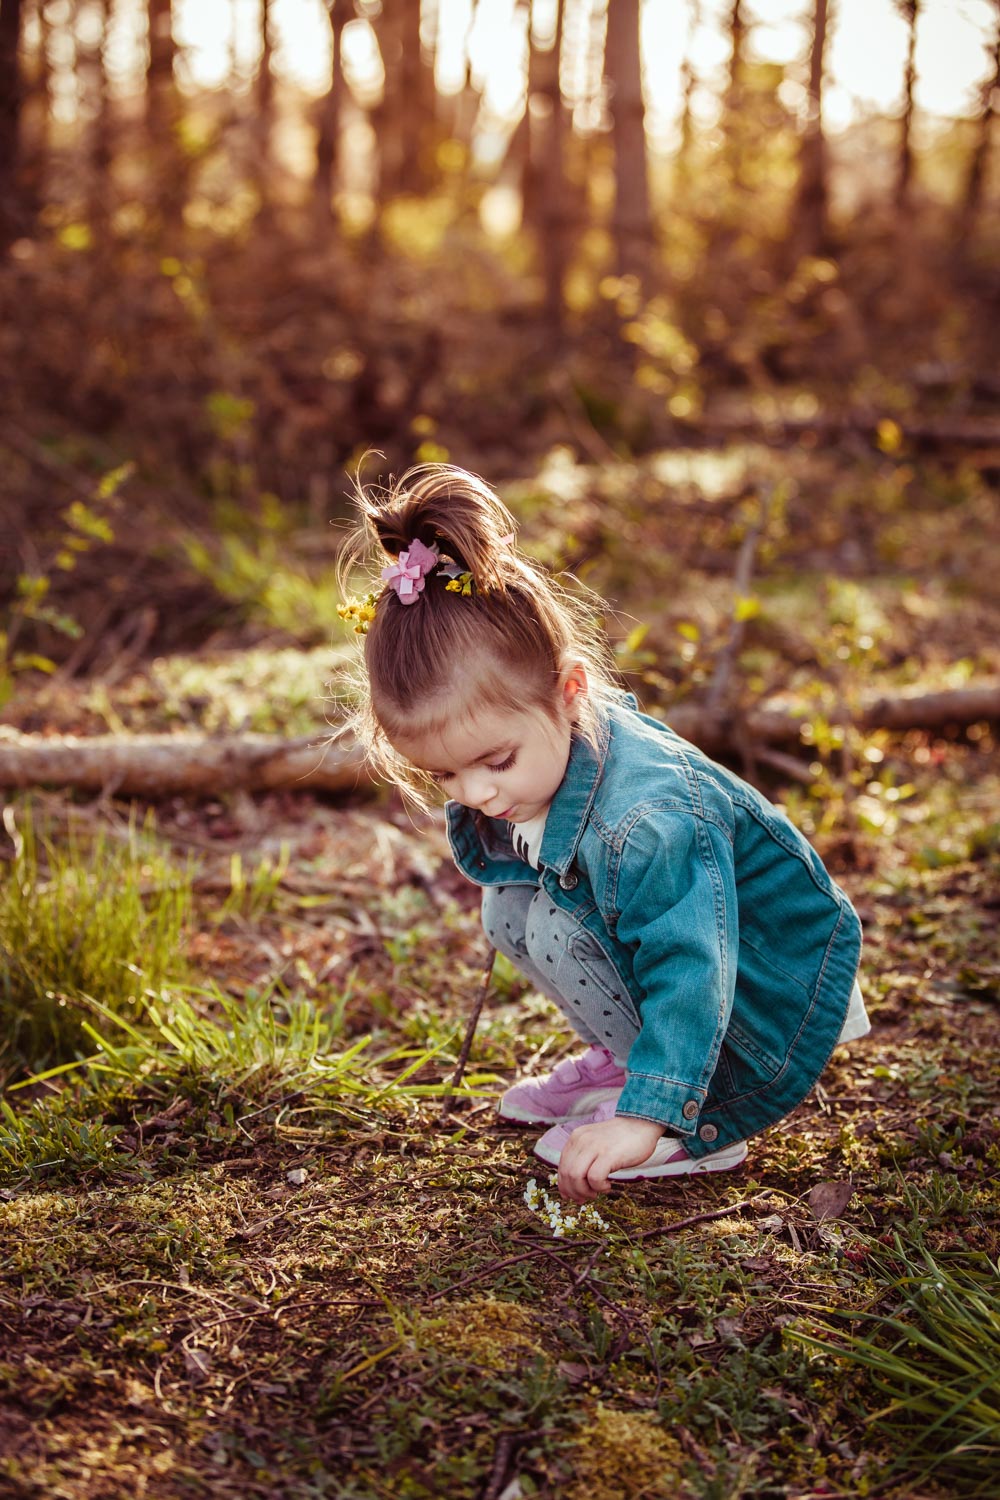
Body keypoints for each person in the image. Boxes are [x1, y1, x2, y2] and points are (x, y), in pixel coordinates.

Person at [338, 463, 869, 1205]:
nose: (477, 794)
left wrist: (648, 1119)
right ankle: (628, 1057)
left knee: (557, 925)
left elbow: (693, 965)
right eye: (445, 776)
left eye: (495, 762)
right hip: (711, 975)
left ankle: (691, 1113)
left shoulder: (646, 820)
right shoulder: (547, 752)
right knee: (511, 908)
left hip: (762, 993)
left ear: (569, 692)